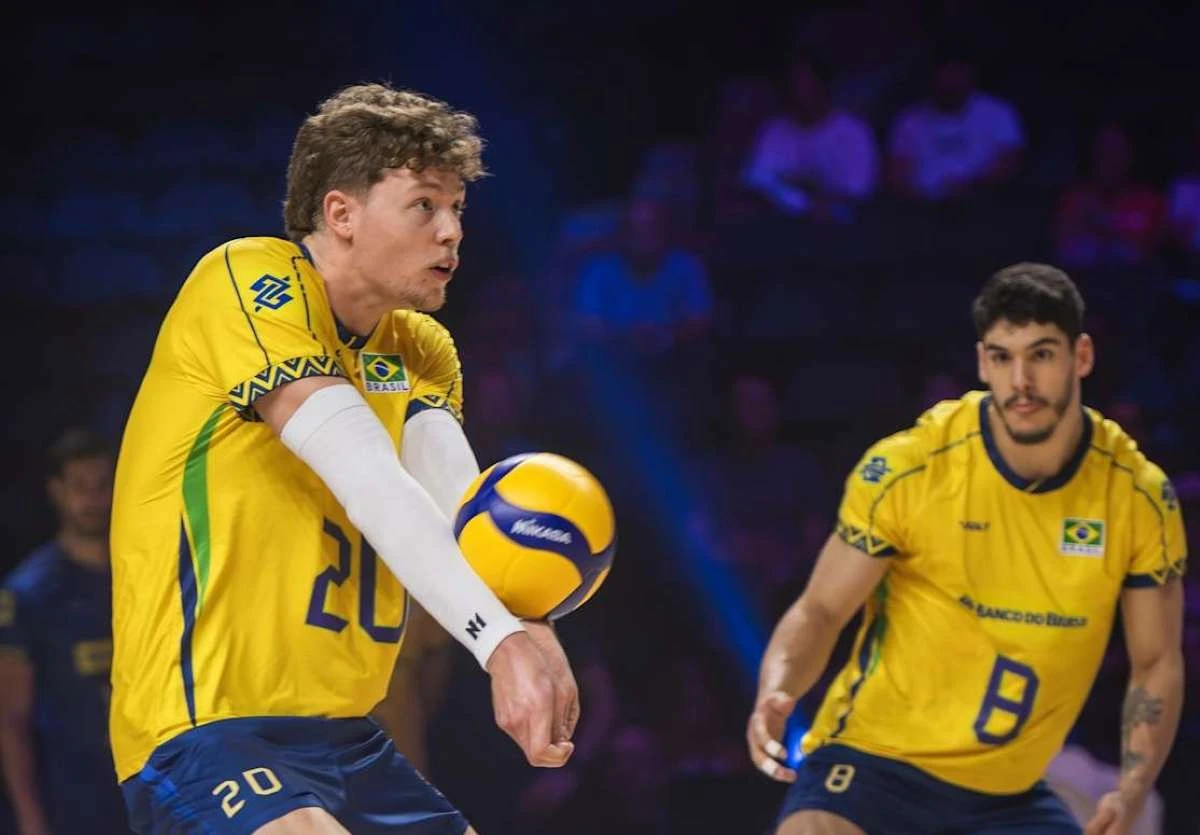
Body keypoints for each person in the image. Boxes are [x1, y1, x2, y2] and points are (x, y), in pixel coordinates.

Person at [109, 83, 578, 835]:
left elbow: (464, 510)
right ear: (341, 214)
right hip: (204, 729)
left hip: (348, 736)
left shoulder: (418, 345)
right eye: (424, 205)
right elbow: (369, 476)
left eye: (458, 208)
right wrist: (499, 644)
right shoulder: (246, 282)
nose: (452, 231)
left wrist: (530, 620)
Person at [748, 263, 1186, 835]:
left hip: (1009, 795)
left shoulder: (1136, 497)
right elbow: (821, 609)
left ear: (1081, 357)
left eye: (1042, 355)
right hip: (873, 766)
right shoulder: (911, 468)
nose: (1021, 380)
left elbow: (1156, 662)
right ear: (983, 363)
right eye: (1003, 357)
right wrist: (777, 687)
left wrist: (1132, 790)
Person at [0, 427, 130, 834]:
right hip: (75, 798)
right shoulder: (30, 593)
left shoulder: (143, 572)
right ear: (56, 491)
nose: (92, 498)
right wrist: (30, 819)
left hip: (153, 783)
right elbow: (11, 719)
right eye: (79, 486)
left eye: (102, 484)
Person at [740, 56, 878, 220]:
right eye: (791, 85)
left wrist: (811, 196)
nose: (796, 92)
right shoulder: (774, 129)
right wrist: (801, 198)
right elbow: (757, 183)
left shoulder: (853, 132)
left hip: (837, 227)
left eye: (803, 84)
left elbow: (859, 194)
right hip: (779, 223)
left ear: (823, 86)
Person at [886, 53, 1024, 201]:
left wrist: (971, 187)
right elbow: (897, 173)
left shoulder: (997, 112)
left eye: (957, 78)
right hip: (922, 205)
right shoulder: (909, 120)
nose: (951, 85)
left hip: (983, 201)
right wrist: (920, 197)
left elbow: (1010, 161)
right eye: (946, 80)